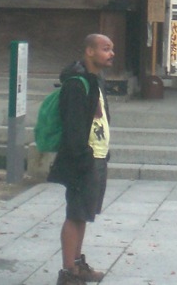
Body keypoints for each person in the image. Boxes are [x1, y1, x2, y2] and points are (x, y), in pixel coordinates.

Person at [49, 33, 114, 285]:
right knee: (74, 213)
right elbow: (74, 127)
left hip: (97, 156)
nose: (111, 53)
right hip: (83, 159)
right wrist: (84, 157)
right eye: (105, 49)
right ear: (90, 51)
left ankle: (77, 265)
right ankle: (68, 272)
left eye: (111, 49)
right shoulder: (77, 84)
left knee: (84, 213)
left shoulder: (95, 80)